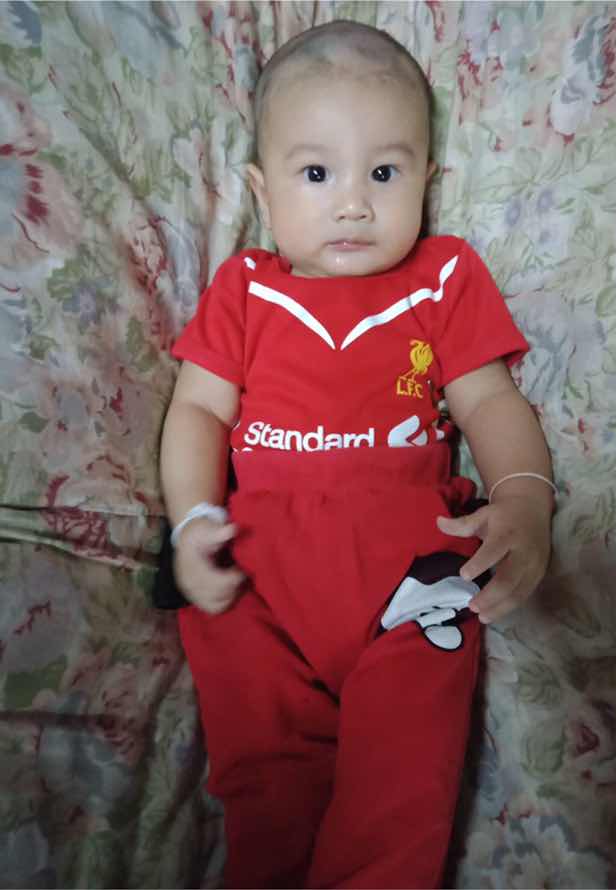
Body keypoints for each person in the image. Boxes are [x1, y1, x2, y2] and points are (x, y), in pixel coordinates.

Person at [159, 19, 555, 890]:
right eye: (316, 174)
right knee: (265, 788)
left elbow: (489, 399)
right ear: (262, 190)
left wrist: (526, 500)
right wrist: (191, 521)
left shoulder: (443, 277)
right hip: (256, 583)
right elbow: (196, 409)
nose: (352, 204)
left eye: (383, 173)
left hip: (413, 584)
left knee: (404, 788)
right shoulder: (246, 290)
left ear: (428, 180)